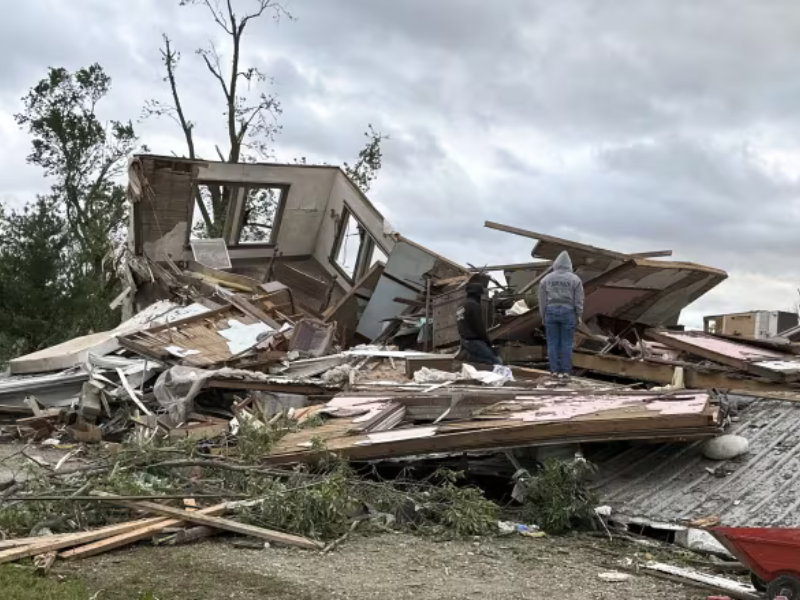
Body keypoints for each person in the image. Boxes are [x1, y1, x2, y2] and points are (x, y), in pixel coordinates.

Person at [538, 251, 584, 378]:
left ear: (556, 264)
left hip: (550, 311)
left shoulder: (546, 279)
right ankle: (565, 371)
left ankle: (554, 371)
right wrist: (579, 314)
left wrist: (543, 315)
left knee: (552, 343)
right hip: (568, 311)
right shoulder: (575, 279)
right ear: (569, 264)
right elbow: (579, 300)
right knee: (567, 343)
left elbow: (542, 300)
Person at [457, 282, 502, 365]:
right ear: (477, 295)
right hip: (474, 341)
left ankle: (470, 357)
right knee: (497, 362)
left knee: (484, 362)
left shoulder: (461, 306)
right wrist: (488, 342)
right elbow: (479, 327)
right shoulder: (474, 305)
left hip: (464, 341)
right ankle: (470, 357)